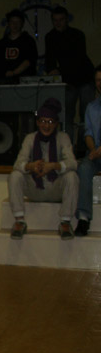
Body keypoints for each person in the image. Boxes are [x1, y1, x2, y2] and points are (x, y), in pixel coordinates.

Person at [8, 97, 79, 240]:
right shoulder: (30, 138)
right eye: (43, 121)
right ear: (38, 122)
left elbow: (73, 163)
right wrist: (31, 166)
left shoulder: (63, 137)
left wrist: (53, 166)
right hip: (35, 187)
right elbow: (18, 163)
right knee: (15, 175)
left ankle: (65, 222)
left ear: (56, 124)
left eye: (50, 122)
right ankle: (19, 221)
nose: (46, 126)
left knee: (72, 176)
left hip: (55, 188)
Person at [45, 6, 95, 144]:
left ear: (67, 19)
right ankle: (68, 147)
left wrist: (58, 70)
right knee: (67, 115)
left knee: (86, 115)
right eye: (55, 20)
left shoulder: (77, 35)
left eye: (61, 20)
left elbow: (78, 59)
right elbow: (49, 59)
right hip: (67, 82)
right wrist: (51, 70)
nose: (58, 23)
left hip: (84, 78)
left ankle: (84, 146)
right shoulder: (50, 37)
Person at [74, 65, 101, 236]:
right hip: (96, 154)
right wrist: (94, 150)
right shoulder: (91, 107)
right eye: (98, 80)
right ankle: (83, 218)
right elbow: (88, 133)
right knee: (83, 167)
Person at [0, 9, 38, 80]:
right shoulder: (1, 44)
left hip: (24, 81)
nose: (15, 25)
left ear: (22, 24)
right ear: (8, 23)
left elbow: (29, 61)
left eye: (18, 22)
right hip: (3, 81)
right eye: (12, 22)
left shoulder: (28, 41)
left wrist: (14, 73)